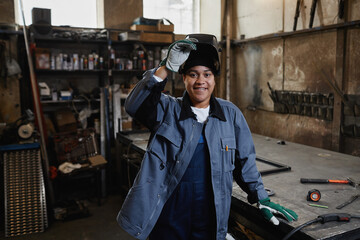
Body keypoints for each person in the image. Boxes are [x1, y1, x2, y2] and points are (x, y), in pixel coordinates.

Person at [117, 34, 298, 240]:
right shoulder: (167, 109)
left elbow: (245, 162)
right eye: (193, 74)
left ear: (214, 79)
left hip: (209, 217)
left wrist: (261, 198)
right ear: (183, 77)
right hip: (169, 216)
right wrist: (165, 67)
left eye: (207, 74)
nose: (200, 81)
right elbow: (134, 106)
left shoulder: (230, 115)